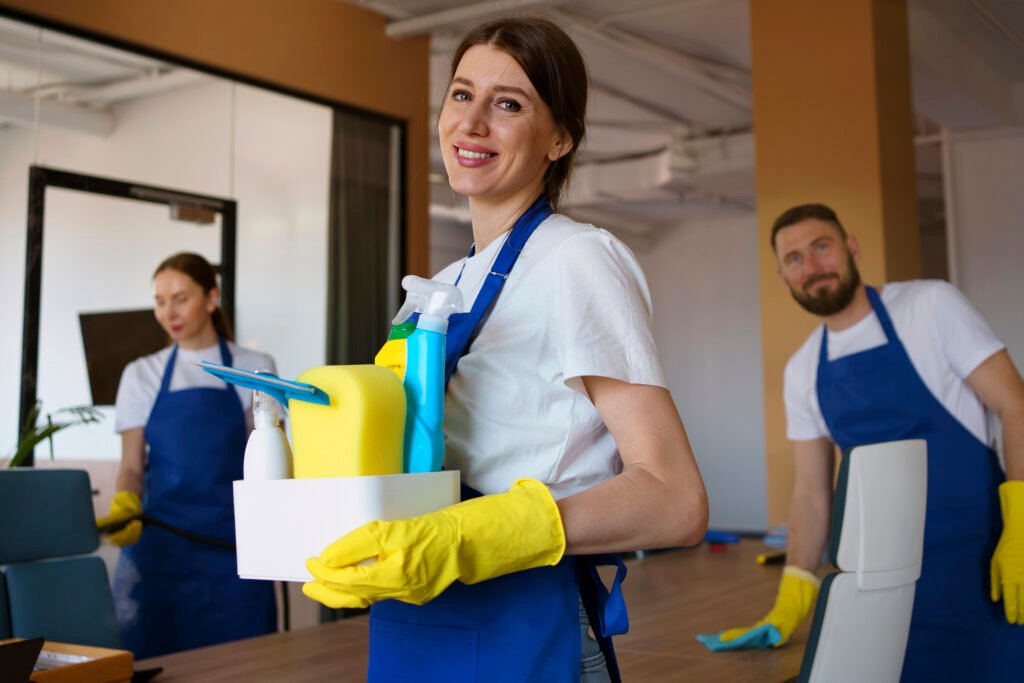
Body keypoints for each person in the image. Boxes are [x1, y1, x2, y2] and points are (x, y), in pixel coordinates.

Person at [300, 17, 709, 682]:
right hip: (420, 619)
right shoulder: (442, 288)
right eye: (461, 95)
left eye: (508, 104)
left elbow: (676, 498)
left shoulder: (577, 258)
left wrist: (475, 535)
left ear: (560, 137)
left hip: (524, 619)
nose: (473, 122)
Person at [700, 203, 1024, 680]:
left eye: (822, 247)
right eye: (795, 259)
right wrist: (791, 600)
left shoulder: (929, 306)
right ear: (782, 275)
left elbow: (1015, 405)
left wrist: (1020, 530)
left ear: (851, 248)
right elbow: (811, 493)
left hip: (988, 567)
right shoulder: (803, 369)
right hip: (883, 589)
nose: (812, 268)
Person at [96, 252, 279, 659]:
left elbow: (268, 461)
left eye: (180, 298)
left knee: (242, 666)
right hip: (158, 555)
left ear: (212, 299)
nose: (168, 313)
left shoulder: (254, 368)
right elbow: (130, 465)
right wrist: (124, 501)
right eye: (160, 301)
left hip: (235, 556)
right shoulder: (142, 373)